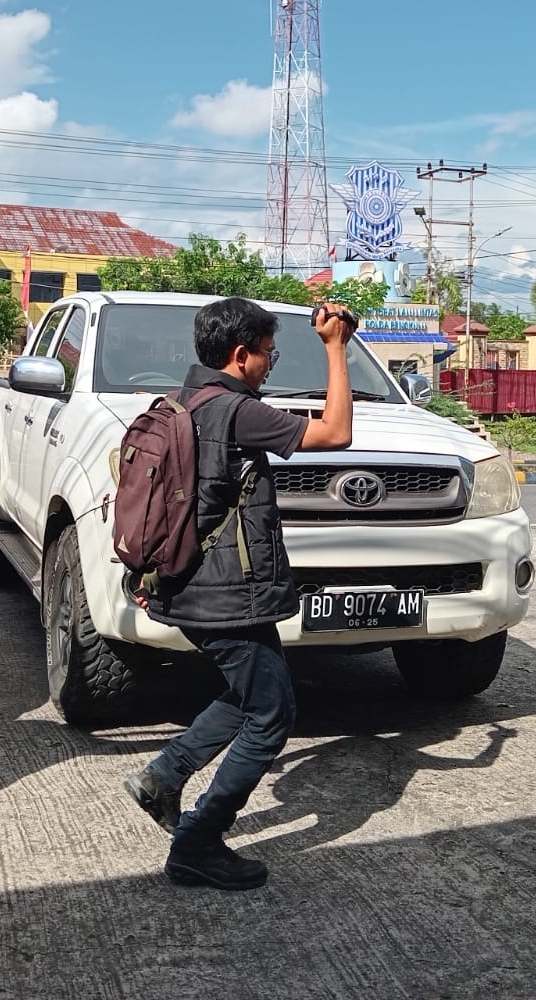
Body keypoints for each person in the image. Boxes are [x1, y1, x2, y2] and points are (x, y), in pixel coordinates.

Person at [122, 298, 356, 890]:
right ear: (240, 353)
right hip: (225, 594)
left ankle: (164, 776)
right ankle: (197, 843)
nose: (272, 361)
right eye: (269, 351)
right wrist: (335, 347)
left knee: (251, 692)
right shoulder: (234, 412)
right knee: (272, 715)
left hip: (184, 583)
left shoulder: (179, 403)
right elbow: (337, 432)